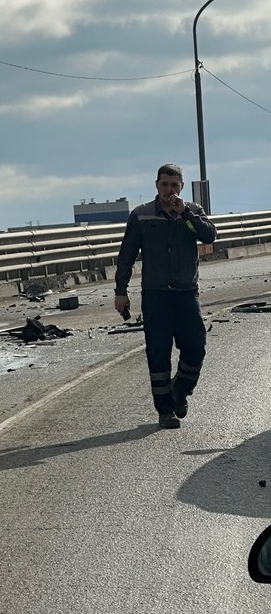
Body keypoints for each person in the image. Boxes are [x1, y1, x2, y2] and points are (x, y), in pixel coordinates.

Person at [114, 163, 217, 429]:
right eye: (164, 184)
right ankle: (165, 410)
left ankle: (180, 390)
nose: (169, 190)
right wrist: (121, 291)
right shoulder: (142, 215)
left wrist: (185, 213)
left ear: (181, 187)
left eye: (174, 185)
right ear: (156, 185)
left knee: (195, 346)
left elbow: (208, 236)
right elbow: (126, 255)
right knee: (158, 352)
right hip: (156, 295)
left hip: (186, 293)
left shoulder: (193, 212)